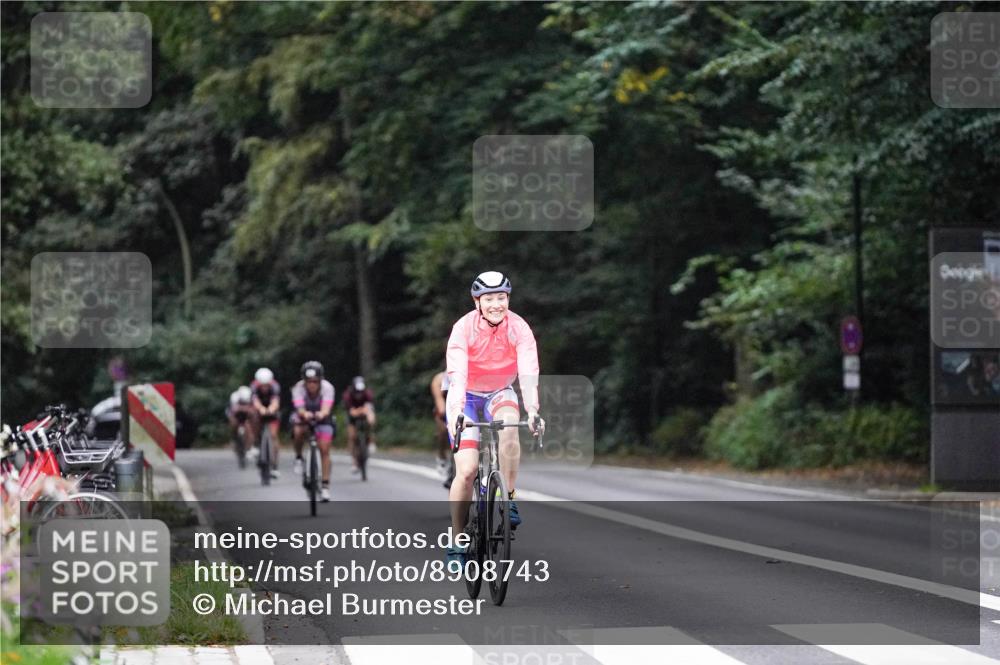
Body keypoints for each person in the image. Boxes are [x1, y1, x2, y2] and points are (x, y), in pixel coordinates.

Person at [444, 271, 543, 571]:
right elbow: (457, 375)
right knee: (467, 470)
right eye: (489, 299)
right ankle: (457, 538)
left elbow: (528, 371)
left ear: (508, 299)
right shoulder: (463, 328)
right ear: (477, 302)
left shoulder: (519, 328)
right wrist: (460, 410)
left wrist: (534, 410)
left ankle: (509, 497)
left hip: (500, 392)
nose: (496, 304)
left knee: (511, 426)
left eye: (501, 297)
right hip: (466, 399)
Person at [290, 361, 336, 502]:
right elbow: (299, 407)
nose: (312, 385)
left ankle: (325, 486)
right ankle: (298, 457)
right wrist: (305, 414)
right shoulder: (298, 388)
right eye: (308, 381)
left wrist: (322, 414)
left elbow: (327, 408)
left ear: (320, 380)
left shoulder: (328, 388)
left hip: (322, 417)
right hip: (304, 416)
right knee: (297, 431)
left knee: (324, 448)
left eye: (315, 381)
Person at [250, 367, 281, 478]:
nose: (264, 388)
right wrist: (261, 409)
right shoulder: (254, 386)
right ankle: (256, 442)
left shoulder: (275, 386)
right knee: (253, 416)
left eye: (266, 385)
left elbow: (276, 401)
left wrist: (271, 409)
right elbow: (255, 400)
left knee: (273, 436)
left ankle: (275, 466)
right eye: (262, 386)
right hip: (259, 410)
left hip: (272, 410)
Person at [343, 376, 376, 473]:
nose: (359, 395)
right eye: (357, 392)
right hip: (352, 416)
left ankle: (371, 441)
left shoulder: (368, 394)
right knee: (351, 436)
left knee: (371, 419)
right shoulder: (347, 395)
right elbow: (351, 411)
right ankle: (354, 462)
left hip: (364, 413)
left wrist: (365, 411)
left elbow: (369, 407)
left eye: (361, 392)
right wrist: (359, 411)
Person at [430, 370, 452, 482]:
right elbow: (439, 400)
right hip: (445, 408)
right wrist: (445, 415)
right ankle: (441, 456)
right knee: (443, 430)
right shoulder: (438, 379)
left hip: (464, 406)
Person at [226, 385, 255, 463]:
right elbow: (233, 410)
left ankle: (249, 447)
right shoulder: (234, 397)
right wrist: (244, 408)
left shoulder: (252, 397)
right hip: (235, 414)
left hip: (246, 416)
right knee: (233, 423)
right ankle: (233, 438)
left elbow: (253, 411)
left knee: (249, 428)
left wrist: (245, 409)